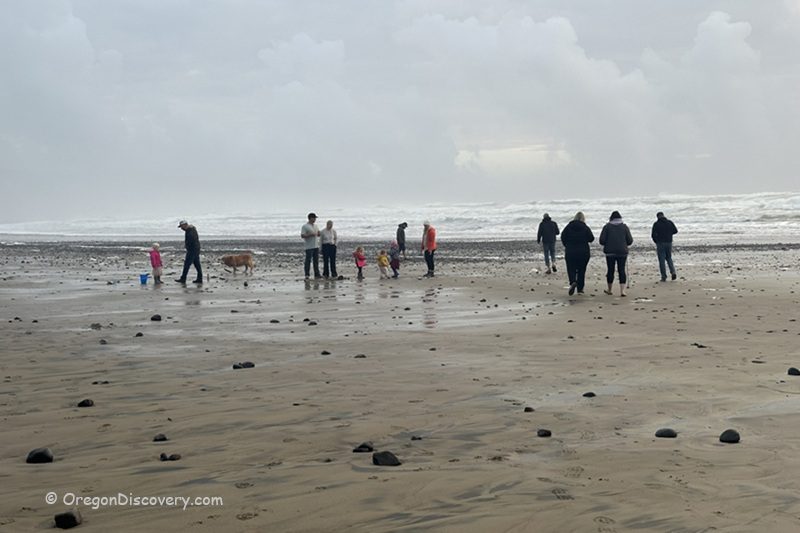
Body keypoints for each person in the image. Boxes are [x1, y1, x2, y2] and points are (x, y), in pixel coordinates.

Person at [599, 210, 633, 296]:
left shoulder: (607, 227)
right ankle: (622, 291)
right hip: (622, 252)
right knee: (621, 270)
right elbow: (630, 241)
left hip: (610, 252)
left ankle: (609, 289)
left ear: (611, 218)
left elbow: (602, 241)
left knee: (610, 270)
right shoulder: (624, 227)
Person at [560, 212, 594, 295]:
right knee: (581, 270)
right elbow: (591, 238)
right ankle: (580, 289)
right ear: (583, 219)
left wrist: (566, 245)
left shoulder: (568, 227)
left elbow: (562, 236)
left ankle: (572, 282)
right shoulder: (585, 227)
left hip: (570, 251)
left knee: (571, 268)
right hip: (583, 252)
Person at [651, 211, 678, 282]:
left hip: (660, 243)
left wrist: (656, 241)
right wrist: (669, 234)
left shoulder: (656, 224)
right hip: (669, 242)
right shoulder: (669, 222)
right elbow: (675, 231)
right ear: (663, 215)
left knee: (661, 260)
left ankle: (664, 276)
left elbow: (653, 235)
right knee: (669, 258)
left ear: (657, 217)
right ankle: (673, 272)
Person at [301, 212, 321, 280]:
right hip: (309, 246)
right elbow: (302, 235)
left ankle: (317, 274)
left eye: (315, 218)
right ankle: (307, 274)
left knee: (316, 261)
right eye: (314, 218)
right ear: (310, 218)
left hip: (316, 245)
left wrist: (319, 234)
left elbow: (318, 233)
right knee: (308, 261)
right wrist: (309, 235)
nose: (315, 219)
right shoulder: (305, 226)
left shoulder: (316, 226)